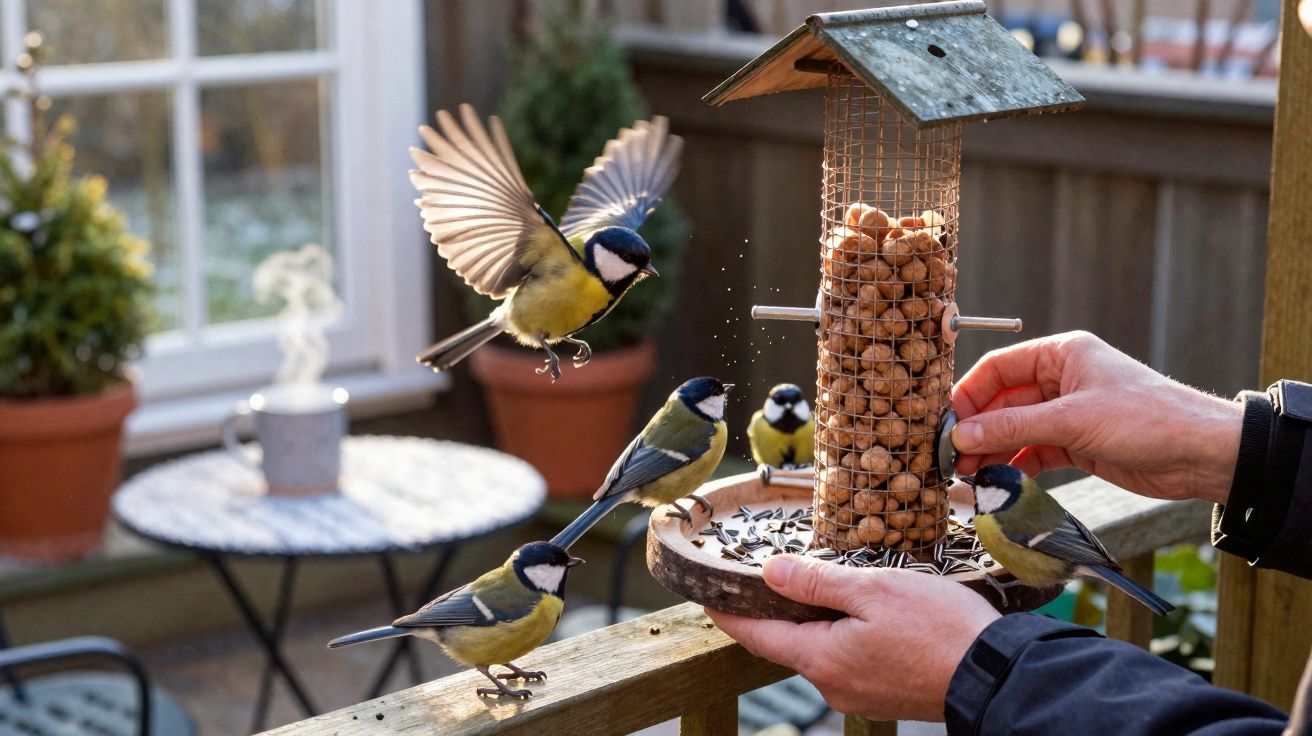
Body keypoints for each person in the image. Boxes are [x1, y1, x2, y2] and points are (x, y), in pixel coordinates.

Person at [707, 331, 1310, 734]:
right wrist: (1234, 447)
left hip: (1062, 560)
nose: (977, 492)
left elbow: (1062, 544)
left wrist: (982, 666)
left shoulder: (1004, 521)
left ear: (999, 494)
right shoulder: (1010, 507)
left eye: (985, 487)